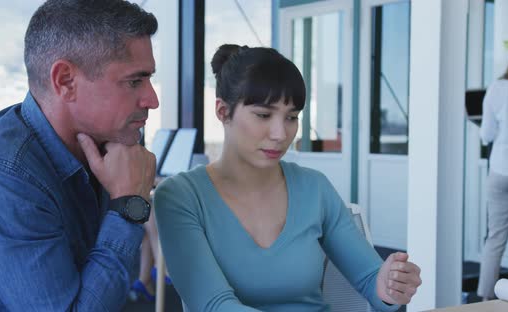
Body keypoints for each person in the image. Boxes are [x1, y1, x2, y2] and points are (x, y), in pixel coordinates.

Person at [154, 44, 422, 311]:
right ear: (223, 112)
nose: (281, 134)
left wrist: (389, 286)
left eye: (292, 117)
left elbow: (369, 279)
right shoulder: (181, 196)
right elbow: (213, 304)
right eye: (263, 115)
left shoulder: (314, 188)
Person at [0, 1, 159, 310]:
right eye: (135, 81)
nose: (152, 99)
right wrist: (129, 206)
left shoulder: (108, 149)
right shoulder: (0, 171)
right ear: (65, 81)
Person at [477, 31, 508, 301]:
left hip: (502, 170)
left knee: (495, 239)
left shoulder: (498, 88)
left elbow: (486, 136)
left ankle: (485, 299)